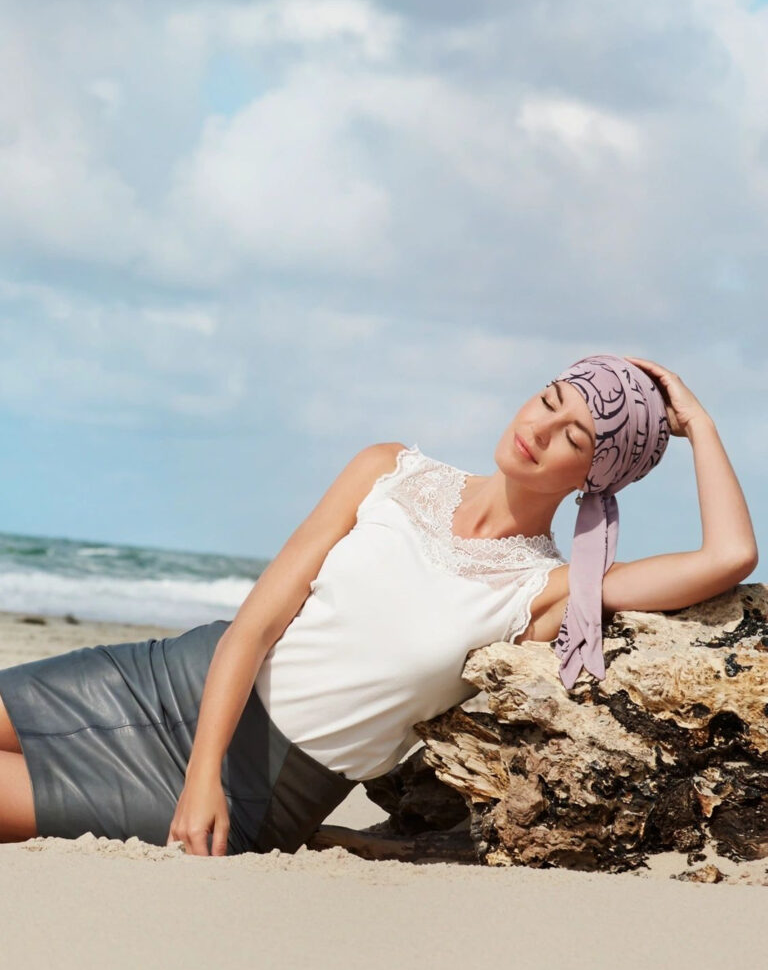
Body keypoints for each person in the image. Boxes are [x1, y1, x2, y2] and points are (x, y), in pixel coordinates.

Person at [0, 354, 757, 857]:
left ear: (597, 476)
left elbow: (729, 557)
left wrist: (702, 426)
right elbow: (258, 622)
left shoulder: (545, 590)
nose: (538, 429)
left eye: (575, 437)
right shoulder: (388, 470)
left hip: (265, 787)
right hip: (179, 681)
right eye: (549, 401)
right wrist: (200, 772)